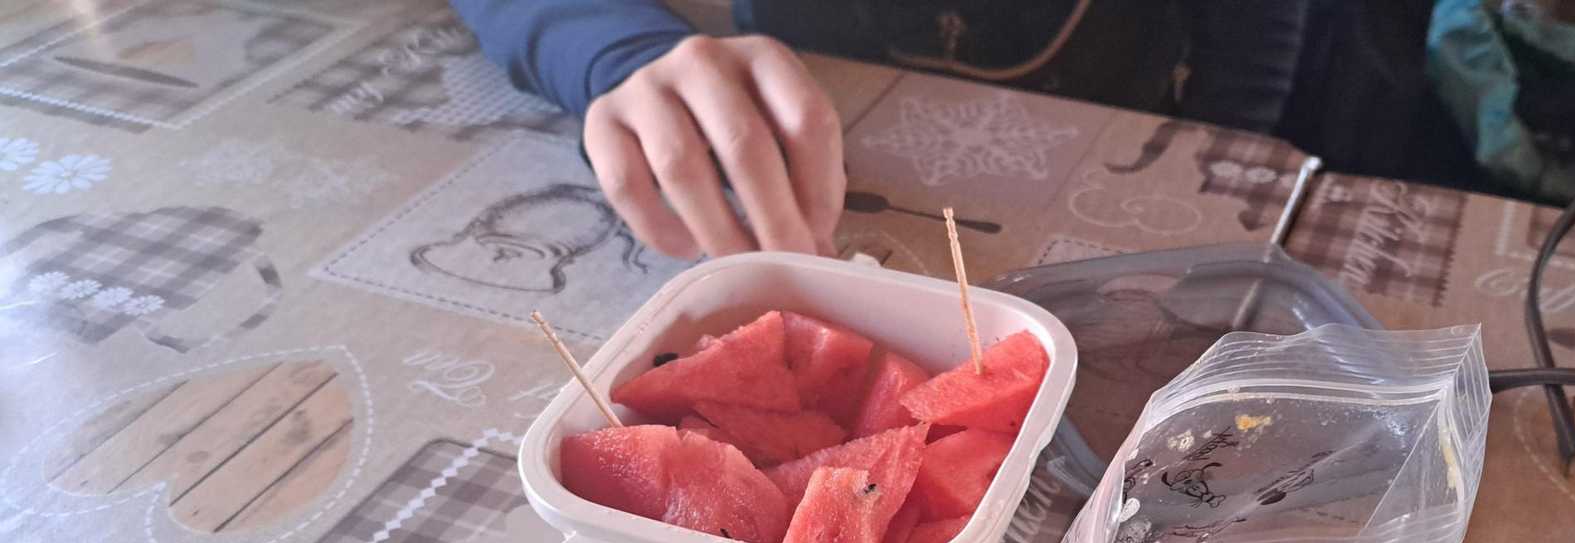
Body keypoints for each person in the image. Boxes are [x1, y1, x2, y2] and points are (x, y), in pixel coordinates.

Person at [451, 1, 1306, 260]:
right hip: (813, 128)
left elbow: (1257, 39)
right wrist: (609, 49)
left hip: (1124, 154)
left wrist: (1223, 147)